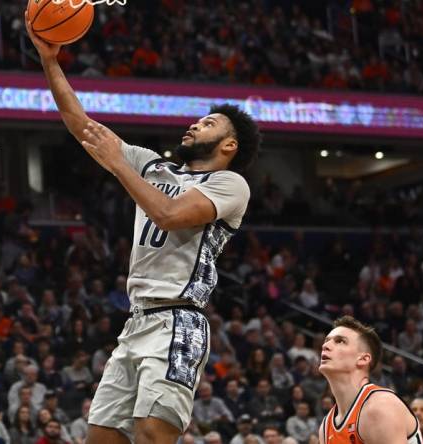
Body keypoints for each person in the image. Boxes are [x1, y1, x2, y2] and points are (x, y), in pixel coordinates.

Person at [25, 11, 260, 444]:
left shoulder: (229, 185)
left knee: (153, 434)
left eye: (208, 123)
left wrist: (120, 167)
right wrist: (50, 61)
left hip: (178, 320)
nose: (194, 124)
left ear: (229, 145)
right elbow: (84, 127)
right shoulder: (153, 165)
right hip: (136, 321)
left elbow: (169, 215)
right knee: (101, 438)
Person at [317, 316, 423, 443]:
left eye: (340, 341)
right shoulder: (326, 426)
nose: (326, 346)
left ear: (363, 359)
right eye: (326, 340)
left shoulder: (379, 407)